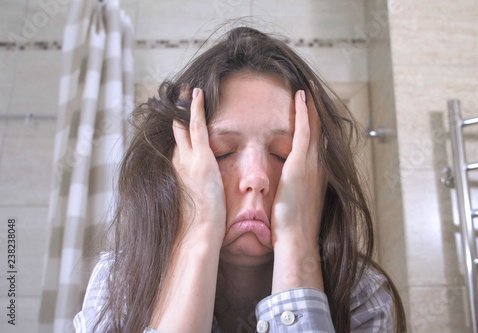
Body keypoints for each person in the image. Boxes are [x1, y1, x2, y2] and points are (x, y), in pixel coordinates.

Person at [74, 26, 406, 332]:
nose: (257, 177)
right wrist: (196, 238)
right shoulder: (118, 281)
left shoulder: (363, 295)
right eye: (221, 152)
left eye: (282, 154)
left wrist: (298, 246)